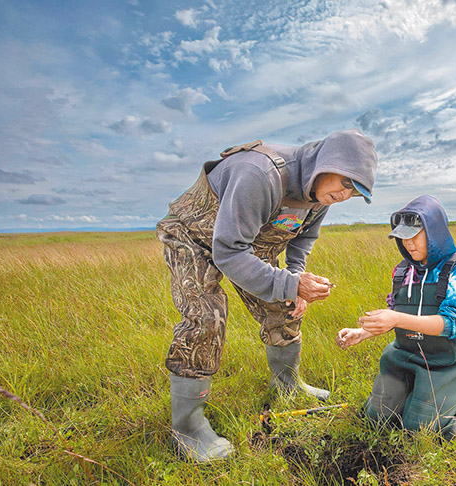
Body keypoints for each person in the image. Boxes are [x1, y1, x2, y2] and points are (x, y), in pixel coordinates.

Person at [156, 129, 378, 462]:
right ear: (325, 163)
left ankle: (287, 384)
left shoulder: (320, 195)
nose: (345, 195)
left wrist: (295, 278)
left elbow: (302, 239)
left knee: (285, 306)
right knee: (206, 318)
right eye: (345, 183)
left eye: (355, 192)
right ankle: (187, 429)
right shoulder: (260, 175)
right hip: (194, 237)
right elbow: (228, 252)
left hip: (245, 245)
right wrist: (292, 284)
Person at [336, 195, 456, 439]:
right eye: (403, 238)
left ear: (434, 231)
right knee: (377, 418)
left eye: (415, 236)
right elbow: (397, 313)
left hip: (444, 362)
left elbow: (451, 324)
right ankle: (414, 390)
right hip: (403, 358)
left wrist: (395, 319)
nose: (408, 244)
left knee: (422, 429)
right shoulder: (402, 270)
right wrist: (362, 333)